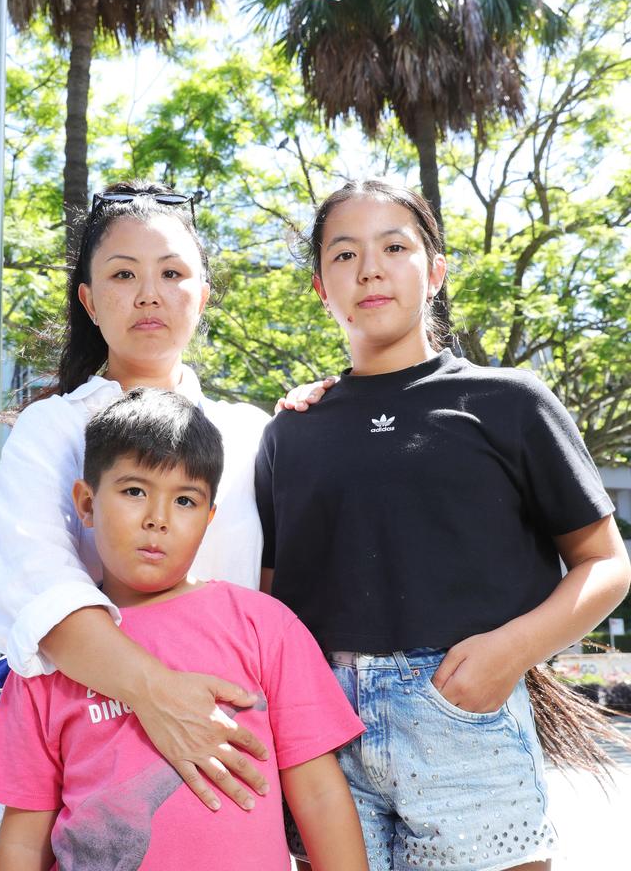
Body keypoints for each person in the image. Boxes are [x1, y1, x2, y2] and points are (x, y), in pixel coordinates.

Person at [255, 179, 631, 871]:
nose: (369, 268)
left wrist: (507, 654)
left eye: (394, 246)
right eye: (344, 254)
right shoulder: (291, 431)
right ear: (319, 288)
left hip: (466, 712)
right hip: (322, 732)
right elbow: (272, 595)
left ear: (435, 271)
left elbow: (606, 563)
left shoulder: (509, 400)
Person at [0, 388, 368, 871]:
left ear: (209, 518)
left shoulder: (265, 626)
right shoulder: (51, 656)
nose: (157, 520)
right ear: (87, 503)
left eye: (184, 500)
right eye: (135, 491)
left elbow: (321, 796)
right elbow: (23, 834)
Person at [0, 183, 273, 811]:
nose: (149, 293)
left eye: (172, 272)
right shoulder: (51, 429)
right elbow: (40, 599)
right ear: (88, 300)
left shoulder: (253, 432)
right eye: (122, 274)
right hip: (94, 759)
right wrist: (161, 697)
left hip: (240, 754)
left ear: (203, 295)